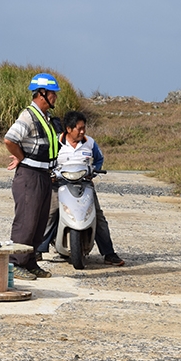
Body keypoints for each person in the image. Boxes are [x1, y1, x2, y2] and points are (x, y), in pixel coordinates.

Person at [3, 73, 61, 280]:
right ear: (42, 93)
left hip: (44, 175)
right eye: (53, 93)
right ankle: (15, 263)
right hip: (30, 176)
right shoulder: (28, 116)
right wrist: (22, 158)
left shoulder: (44, 117)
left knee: (39, 222)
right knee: (26, 222)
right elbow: (10, 140)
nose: (55, 97)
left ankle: (30, 262)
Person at [55, 110, 125, 266]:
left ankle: (109, 253)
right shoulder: (56, 142)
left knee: (97, 215)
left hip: (85, 184)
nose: (82, 131)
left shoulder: (90, 143)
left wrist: (93, 171)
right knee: (50, 212)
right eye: (78, 128)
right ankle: (39, 250)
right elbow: (48, 160)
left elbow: (99, 159)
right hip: (61, 184)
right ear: (68, 129)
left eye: (83, 128)